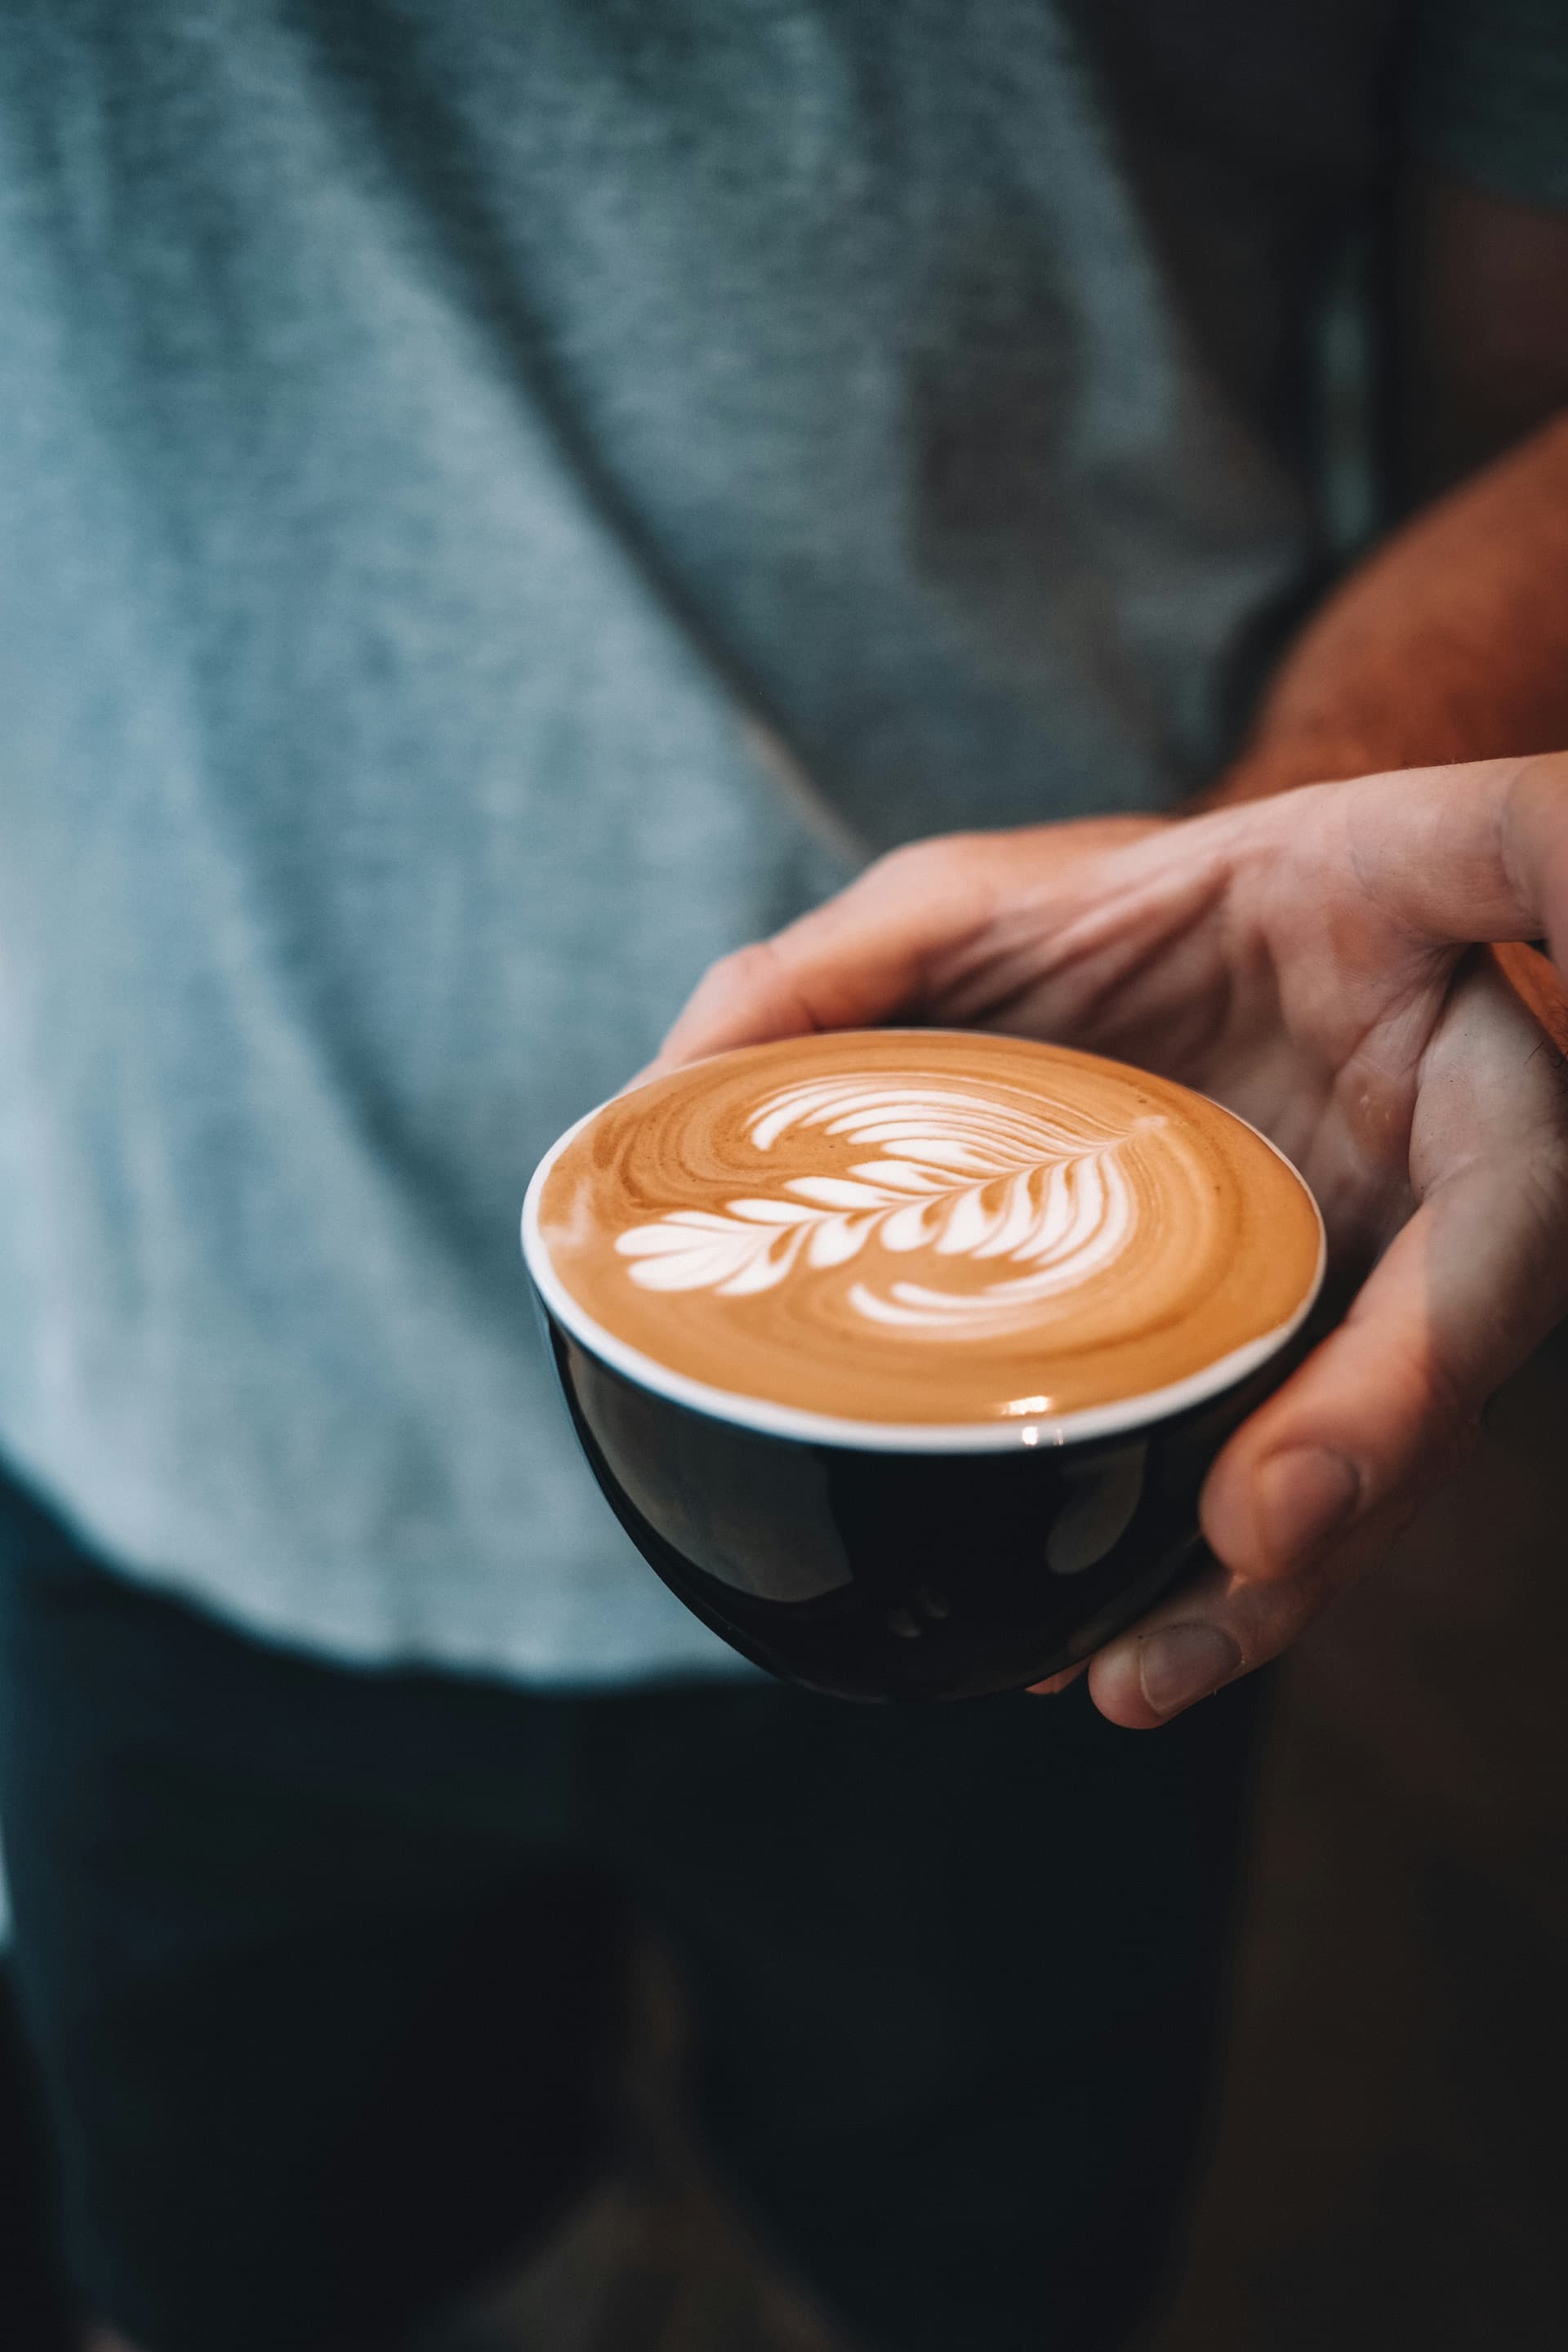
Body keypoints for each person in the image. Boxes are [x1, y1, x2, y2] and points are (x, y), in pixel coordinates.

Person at [0, 7, 1566, 2350]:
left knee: (985, 2283)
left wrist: (1333, 812)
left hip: (1089, 1439)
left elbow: (1531, 405)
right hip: (155, 1371)